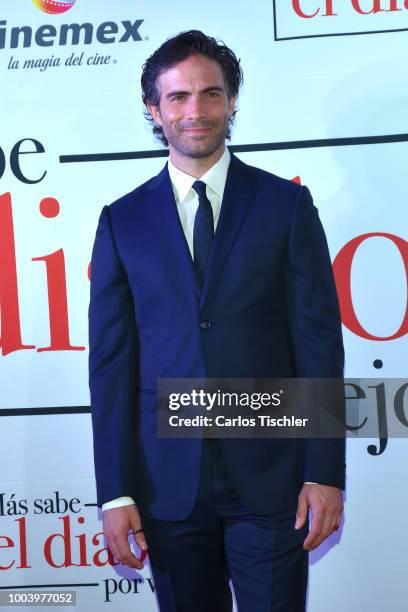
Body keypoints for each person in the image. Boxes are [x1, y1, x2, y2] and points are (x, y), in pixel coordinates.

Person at [89, 29, 345, 612]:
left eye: (211, 93)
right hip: (166, 487)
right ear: (154, 110)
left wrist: (325, 472)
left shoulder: (285, 206)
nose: (196, 110)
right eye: (178, 97)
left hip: (274, 481)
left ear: (232, 102)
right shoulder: (121, 222)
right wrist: (115, 494)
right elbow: (110, 368)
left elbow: (318, 345)